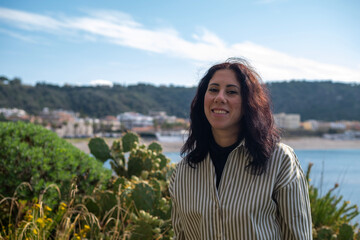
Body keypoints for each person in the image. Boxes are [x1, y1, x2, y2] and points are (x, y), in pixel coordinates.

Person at [169, 58, 312, 239]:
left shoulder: (279, 160)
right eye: (213, 90)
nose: (220, 97)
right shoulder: (183, 171)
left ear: (248, 103)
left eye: (231, 92)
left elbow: (298, 235)